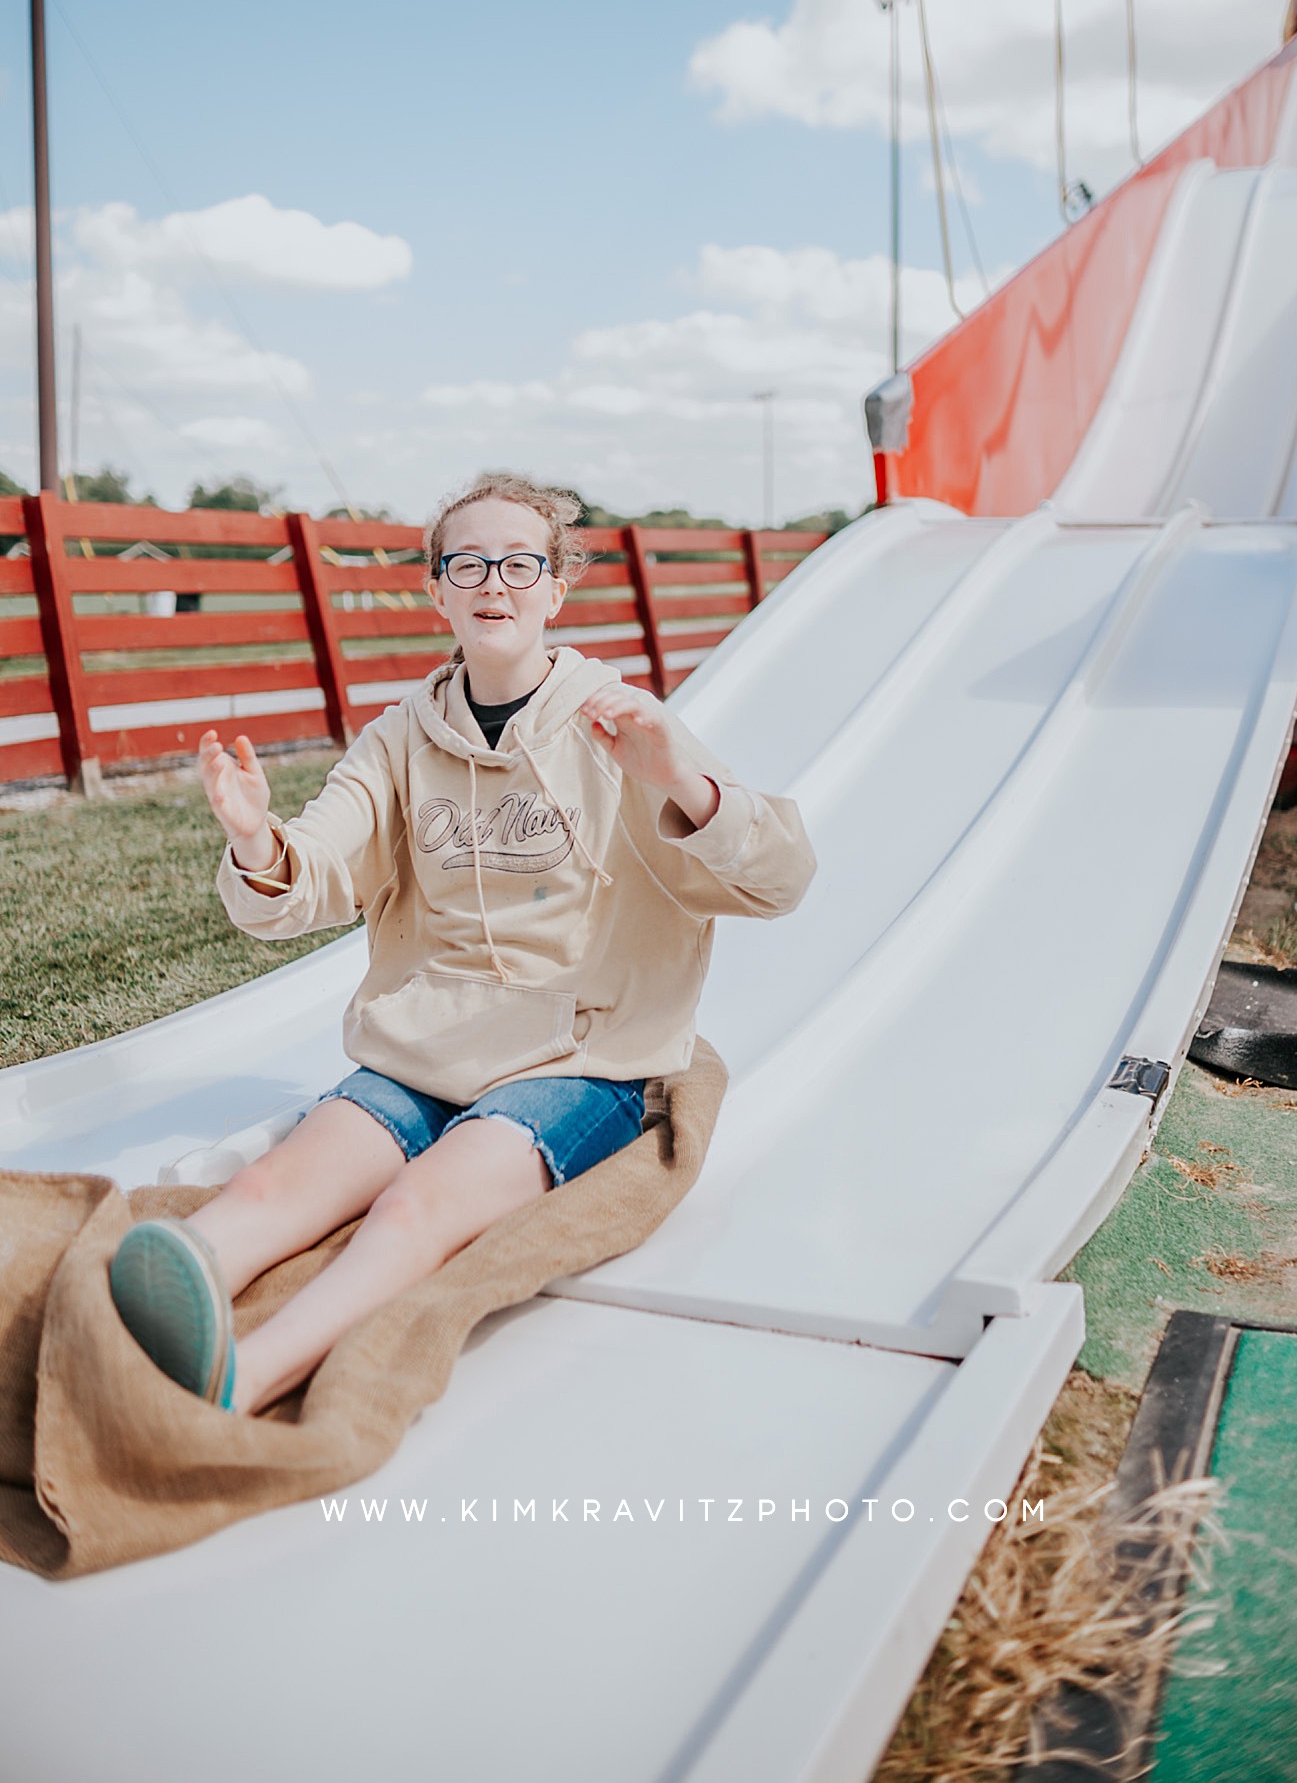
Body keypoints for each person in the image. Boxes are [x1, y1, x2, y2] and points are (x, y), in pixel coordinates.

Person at [109, 472, 817, 1417]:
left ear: (556, 590)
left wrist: (680, 776)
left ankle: (249, 1375)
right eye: (469, 562)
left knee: (414, 1208)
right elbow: (311, 872)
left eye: (521, 562)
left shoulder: (622, 725)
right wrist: (252, 839)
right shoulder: (401, 738)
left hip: (579, 1054)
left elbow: (779, 879)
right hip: (425, 1044)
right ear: (436, 590)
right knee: (281, 1182)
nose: (496, 581)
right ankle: (159, 1298)